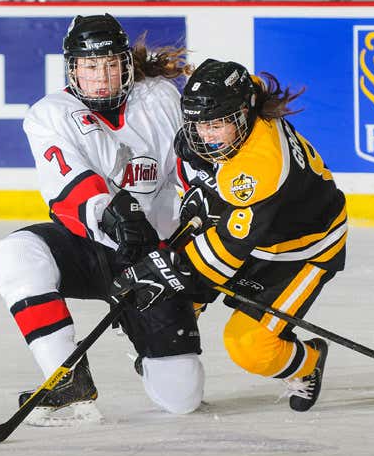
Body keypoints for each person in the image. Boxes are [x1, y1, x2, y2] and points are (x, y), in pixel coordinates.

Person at [0, 14, 204, 423]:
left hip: (154, 258)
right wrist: (112, 212)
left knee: (182, 397)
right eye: (90, 66)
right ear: (73, 69)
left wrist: (190, 247)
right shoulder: (49, 114)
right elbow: (70, 187)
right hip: (90, 246)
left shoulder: (160, 98)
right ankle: (66, 377)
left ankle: (147, 342)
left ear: (126, 63)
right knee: (16, 253)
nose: (102, 77)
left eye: (110, 64)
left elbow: (192, 170)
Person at [111, 59, 347, 412]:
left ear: (244, 113)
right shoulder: (246, 94)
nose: (206, 136)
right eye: (199, 124)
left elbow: (224, 254)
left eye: (216, 125)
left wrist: (164, 270)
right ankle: (169, 360)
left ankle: (307, 362)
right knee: (175, 301)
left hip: (302, 250)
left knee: (250, 347)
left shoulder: (260, 170)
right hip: (259, 222)